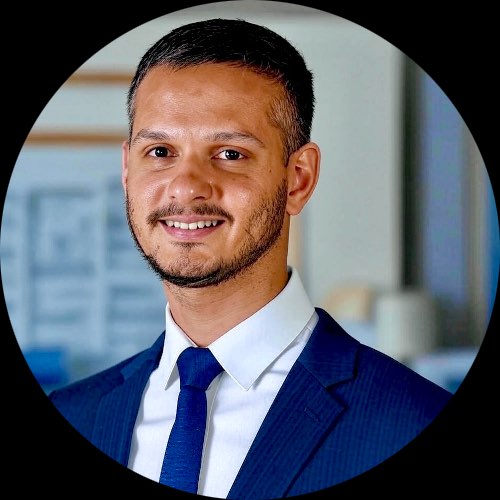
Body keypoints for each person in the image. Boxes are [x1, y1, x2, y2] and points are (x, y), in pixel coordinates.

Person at [48, 17, 453, 498]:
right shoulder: (74, 414)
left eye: (230, 154)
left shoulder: (412, 421)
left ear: (298, 179)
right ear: (126, 169)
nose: (186, 186)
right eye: (159, 151)